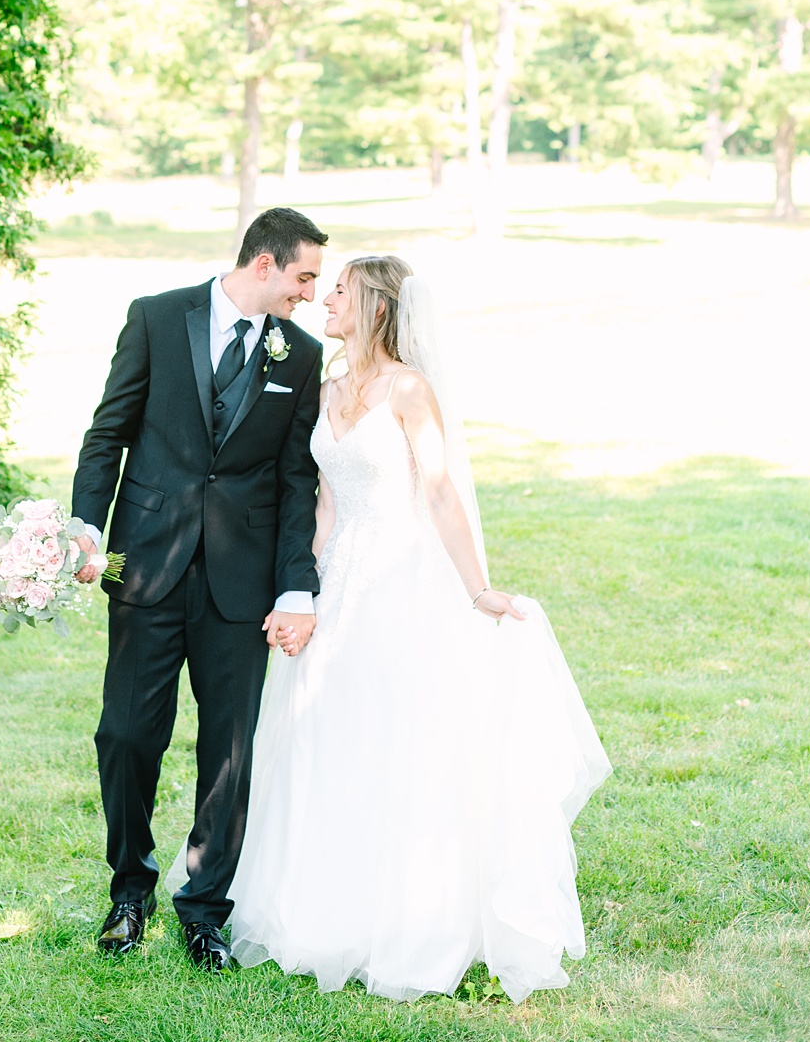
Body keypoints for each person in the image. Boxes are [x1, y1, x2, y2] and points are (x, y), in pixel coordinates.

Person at [227, 253, 610, 1002]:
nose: (327, 298)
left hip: (404, 580)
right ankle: (320, 904)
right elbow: (326, 505)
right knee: (321, 732)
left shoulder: (409, 389)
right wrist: (296, 590)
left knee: (396, 736)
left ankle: (409, 914)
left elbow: (436, 490)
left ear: (375, 307)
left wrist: (478, 591)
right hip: (337, 580)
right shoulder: (330, 386)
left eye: (340, 290)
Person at [70, 207, 329, 969]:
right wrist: (88, 529)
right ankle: (129, 889)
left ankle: (205, 906)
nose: (311, 294)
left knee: (230, 752)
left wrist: (294, 589)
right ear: (264, 265)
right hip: (145, 565)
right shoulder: (155, 319)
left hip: (241, 586)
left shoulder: (302, 354)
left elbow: (294, 484)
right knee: (124, 735)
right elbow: (106, 434)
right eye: (304, 276)